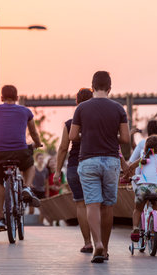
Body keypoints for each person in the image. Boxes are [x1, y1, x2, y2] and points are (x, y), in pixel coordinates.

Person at [69, 71, 130, 263]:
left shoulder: (81, 108)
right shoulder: (118, 108)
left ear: (92, 86)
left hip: (88, 160)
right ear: (110, 88)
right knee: (107, 206)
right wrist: (111, 137)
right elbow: (126, 139)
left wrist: (87, 136)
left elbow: (72, 136)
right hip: (111, 161)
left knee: (92, 204)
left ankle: (97, 244)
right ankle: (106, 247)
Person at [0, 85, 43, 232]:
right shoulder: (25, 111)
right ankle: (27, 188)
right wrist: (37, 144)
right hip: (20, 151)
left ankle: (1, 218)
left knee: (0, 184)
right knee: (30, 166)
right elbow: (33, 132)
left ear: (1, 98)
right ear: (17, 98)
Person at [54, 87, 93, 253]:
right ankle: (100, 242)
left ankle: (88, 242)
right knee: (95, 204)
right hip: (92, 165)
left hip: (74, 167)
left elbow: (63, 148)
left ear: (77, 103)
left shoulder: (70, 124)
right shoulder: (97, 123)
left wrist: (57, 171)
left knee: (81, 204)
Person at [127, 135, 157, 242]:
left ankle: (135, 228)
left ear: (146, 148)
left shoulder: (143, 159)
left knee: (137, 209)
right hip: (156, 188)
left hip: (142, 188)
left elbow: (131, 167)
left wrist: (126, 177)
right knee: (156, 204)